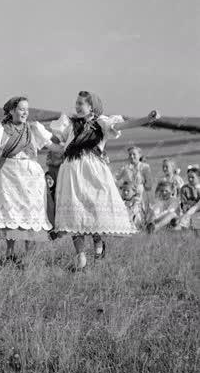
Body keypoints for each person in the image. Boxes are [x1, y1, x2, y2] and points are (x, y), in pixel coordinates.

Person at [50, 91, 159, 270]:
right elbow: (61, 147)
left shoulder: (102, 123)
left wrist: (146, 119)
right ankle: (81, 260)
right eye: (76, 103)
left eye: (81, 104)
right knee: (75, 216)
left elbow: (124, 124)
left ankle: (99, 246)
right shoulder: (69, 125)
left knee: (94, 213)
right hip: (71, 173)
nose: (77, 106)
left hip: (93, 173)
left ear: (91, 107)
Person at [0, 97, 56, 260]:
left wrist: (70, 149)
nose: (25, 112)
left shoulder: (34, 129)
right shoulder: (3, 130)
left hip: (30, 177)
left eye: (27, 109)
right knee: (11, 214)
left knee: (31, 213)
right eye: (21, 109)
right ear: (12, 111)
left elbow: (51, 146)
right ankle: (10, 253)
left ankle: (29, 256)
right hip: (8, 176)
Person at [116, 146, 153, 211]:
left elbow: (149, 186)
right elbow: (115, 179)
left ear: (139, 155)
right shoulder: (125, 168)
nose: (131, 156)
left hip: (141, 198)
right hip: (127, 197)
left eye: (134, 154)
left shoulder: (145, 167)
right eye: (130, 155)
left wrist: (139, 187)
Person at [178, 166, 200, 230]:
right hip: (188, 209)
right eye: (189, 177)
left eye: (192, 177)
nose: (190, 179)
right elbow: (183, 202)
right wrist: (186, 206)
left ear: (199, 177)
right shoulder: (184, 188)